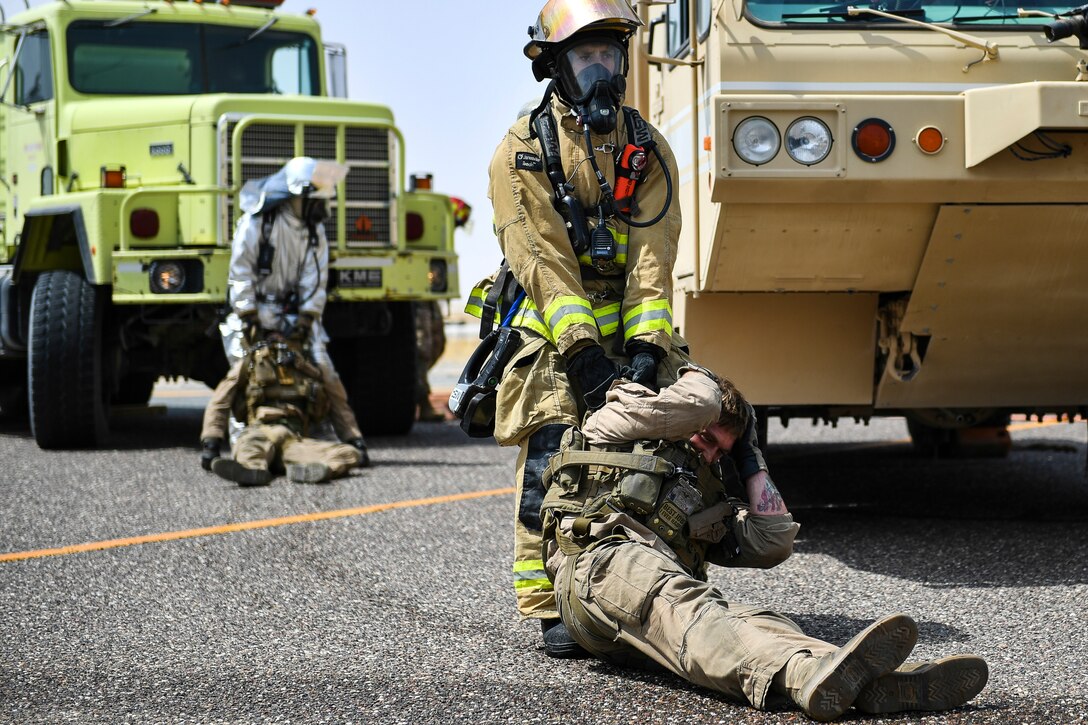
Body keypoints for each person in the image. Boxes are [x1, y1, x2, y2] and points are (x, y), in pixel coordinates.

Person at [540, 367, 990, 721]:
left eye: (722, 451)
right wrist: (696, 372)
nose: (712, 455)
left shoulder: (706, 492)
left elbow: (772, 541)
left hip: (639, 613)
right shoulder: (619, 423)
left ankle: (862, 681)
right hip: (597, 566)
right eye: (707, 438)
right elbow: (700, 401)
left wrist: (750, 455)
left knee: (753, 621)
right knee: (687, 608)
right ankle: (803, 674)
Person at [465, 0, 683, 657]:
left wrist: (648, 348)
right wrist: (584, 355)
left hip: (629, 330)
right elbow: (542, 261)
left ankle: (654, 584)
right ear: (554, 66)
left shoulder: (647, 149)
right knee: (552, 451)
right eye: (585, 56)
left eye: (609, 55)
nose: (600, 70)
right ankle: (546, 602)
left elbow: (654, 257)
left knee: (669, 446)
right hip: (551, 329)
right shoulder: (523, 150)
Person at [199, 157, 369, 470]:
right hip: (251, 313)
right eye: (314, 198)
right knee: (243, 377)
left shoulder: (315, 233)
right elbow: (240, 273)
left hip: (294, 315)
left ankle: (350, 439)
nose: (321, 206)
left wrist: (306, 321)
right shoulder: (256, 223)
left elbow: (314, 282)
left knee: (325, 370)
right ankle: (242, 452)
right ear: (296, 195)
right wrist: (249, 317)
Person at [205, 335, 362, 486]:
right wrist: (211, 440)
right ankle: (252, 471)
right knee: (250, 450)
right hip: (260, 430)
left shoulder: (308, 368)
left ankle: (308, 471)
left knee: (349, 453)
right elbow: (221, 399)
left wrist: (353, 438)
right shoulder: (250, 363)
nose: (278, 338)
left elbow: (338, 402)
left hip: (294, 439)